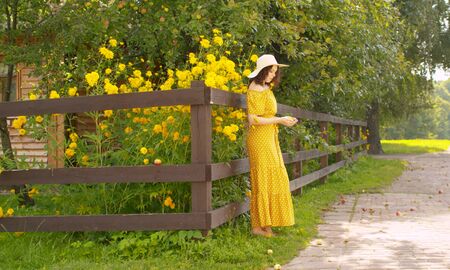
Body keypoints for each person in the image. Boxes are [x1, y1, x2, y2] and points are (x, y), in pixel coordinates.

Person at [246, 54, 297, 237]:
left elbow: (267, 115)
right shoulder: (255, 88)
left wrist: (283, 121)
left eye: (275, 71)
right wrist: (280, 120)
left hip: (269, 138)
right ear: (262, 71)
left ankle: (266, 225)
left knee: (272, 177)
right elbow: (253, 119)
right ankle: (257, 227)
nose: (273, 75)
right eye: (270, 71)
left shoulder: (266, 88)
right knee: (262, 178)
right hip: (259, 138)